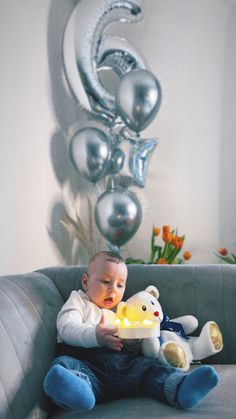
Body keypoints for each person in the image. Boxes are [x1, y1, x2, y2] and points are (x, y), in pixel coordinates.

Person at [43, 251, 219, 412]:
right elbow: (66, 328)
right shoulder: (79, 302)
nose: (113, 290)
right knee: (64, 364)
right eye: (106, 281)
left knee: (149, 368)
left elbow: (132, 350)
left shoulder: (123, 311)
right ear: (86, 282)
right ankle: (76, 392)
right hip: (87, 367)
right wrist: (95, 335)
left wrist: (132, 343)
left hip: (123, 368)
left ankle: (179, 388)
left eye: (120, 285)